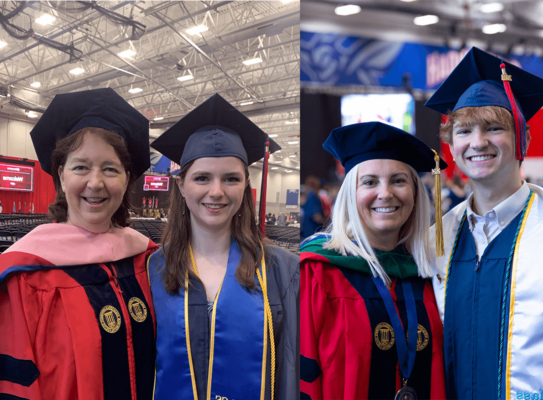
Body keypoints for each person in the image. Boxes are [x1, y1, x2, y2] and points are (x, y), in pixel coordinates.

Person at [425, 47, 543, 399]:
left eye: (494, 128)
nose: (478, 142)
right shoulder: (436, 241)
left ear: (524, 137)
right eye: (464, 131)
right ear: (451, 145)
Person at [0, 88, 158, 399]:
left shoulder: (148, 260)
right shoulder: (23, 275)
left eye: (110, 169)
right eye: (81, 166)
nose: (95, 183)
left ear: (127, 178)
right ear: (60, 174)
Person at [148, 93, 299, 400]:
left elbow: (289, 373)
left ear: (245, 186)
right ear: (181, 185)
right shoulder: (152, 268)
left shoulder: (284, 271)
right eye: (202, 178)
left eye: (231, 178)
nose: (216, 192)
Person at [300, 121, 447, 400]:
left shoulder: (430, 275)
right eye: (369, 182)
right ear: (350, 195)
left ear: (415, 194)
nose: (385, 193)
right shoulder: (317, 274)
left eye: (398, 180)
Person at [300, 175, 325, 240]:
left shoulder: (307, 195)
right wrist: (326, 223)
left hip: (307, 228)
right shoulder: (312, 195)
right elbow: (316, 216)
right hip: (313, 229)